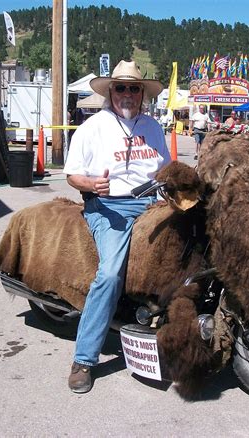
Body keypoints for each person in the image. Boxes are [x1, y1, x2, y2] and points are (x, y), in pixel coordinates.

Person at [63, 60, 171, 394]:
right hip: (108, 204)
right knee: (110, 273)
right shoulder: (92, 128)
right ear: (111, 92)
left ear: (142, 93)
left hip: (151, 202)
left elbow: (166, 170)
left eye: (133, 88)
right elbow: (71, 175)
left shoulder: (153, 127)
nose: (127, 94)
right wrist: (92, 184)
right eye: (121, 87)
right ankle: (84, 359)